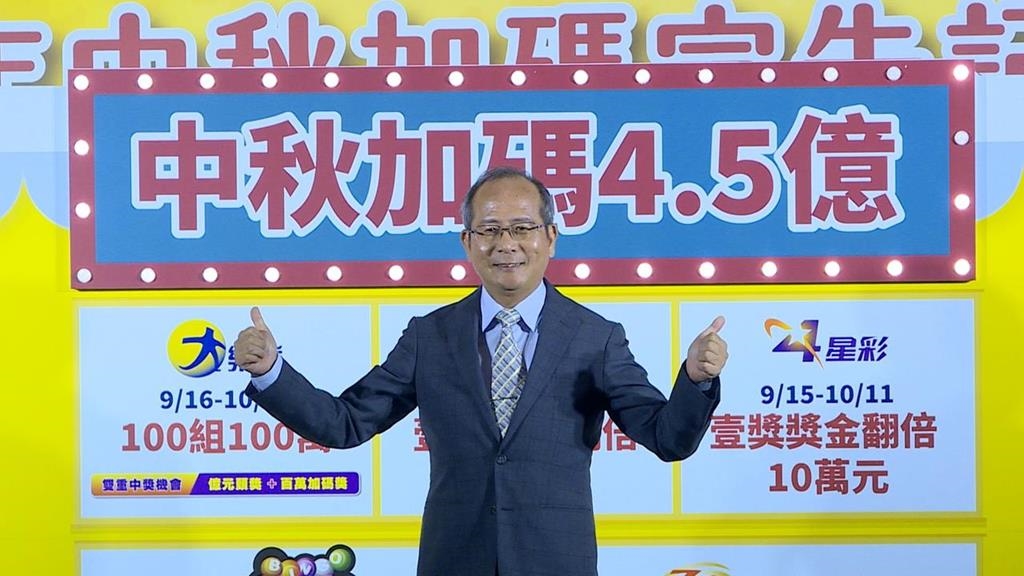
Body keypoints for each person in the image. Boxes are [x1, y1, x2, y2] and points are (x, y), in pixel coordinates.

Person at [234, 166, 728, 576]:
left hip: (556, 561)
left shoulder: (594, 337)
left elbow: (667, 437)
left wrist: (696, 378)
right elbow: (344, 423)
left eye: (522, 228)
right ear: (467, 242)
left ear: (550, 238)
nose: (506, 244)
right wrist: (270, 370)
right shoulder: (430, 336)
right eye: (489, 230)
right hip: (454, 559)